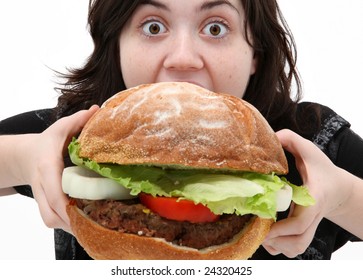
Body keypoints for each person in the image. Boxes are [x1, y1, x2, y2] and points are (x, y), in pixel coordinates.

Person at [0, 0, 362, 260]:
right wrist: (25, 159)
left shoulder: (310, 140)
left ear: (256, 53)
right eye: (153, 26)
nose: (183, 58)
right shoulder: (85, 131)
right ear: (117, 46)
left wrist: (343, 197)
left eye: (216, 27)